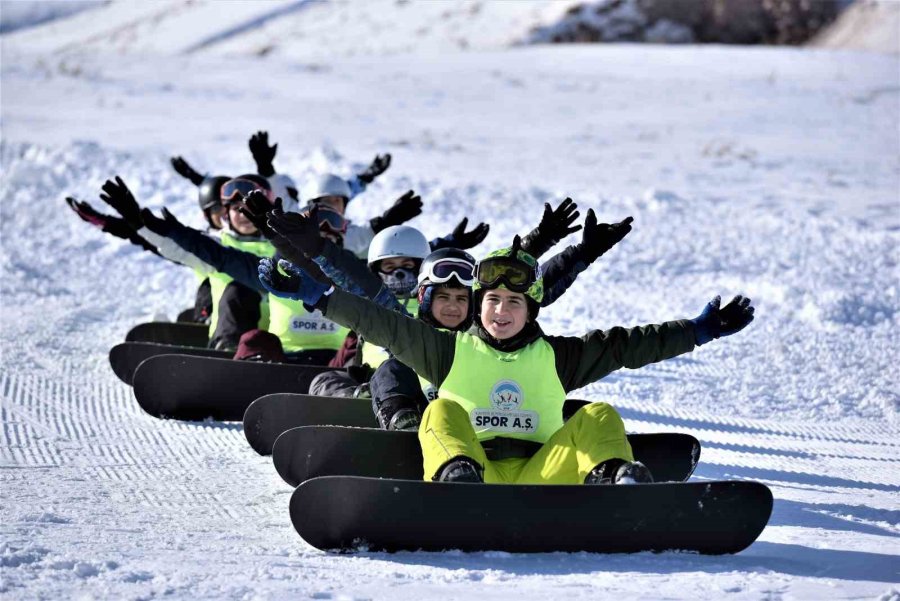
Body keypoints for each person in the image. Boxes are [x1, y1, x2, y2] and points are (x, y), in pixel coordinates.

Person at [258, 229, 755, 486]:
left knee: (600, 415)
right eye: (492, 301)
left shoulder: (559, 357)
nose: (501, 312)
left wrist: (699, 331)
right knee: (440, 410)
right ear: (480, 306)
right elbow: (379, 323)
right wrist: (318, 296)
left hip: (543, 470)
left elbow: (629, 345)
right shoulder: (447, 348)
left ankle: (613, 479)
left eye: (513, 303)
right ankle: (456, 479)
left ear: (529, 309)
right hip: (474, 470)